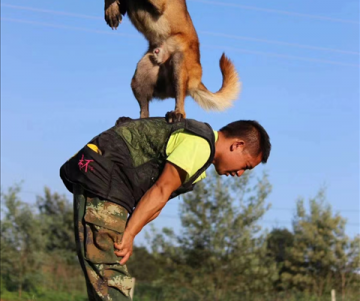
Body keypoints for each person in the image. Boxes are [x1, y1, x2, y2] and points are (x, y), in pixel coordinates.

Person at [60, 116, 271, 300]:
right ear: (238, 145)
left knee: (100, 269)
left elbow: (157, 202)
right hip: (105, 177)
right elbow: (160, 191)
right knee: (108, 268)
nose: (240, 174)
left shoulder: (200, 159)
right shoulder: (200, 144)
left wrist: (132, 231)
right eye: (246, 166)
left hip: (102, 177)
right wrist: (130, 233)